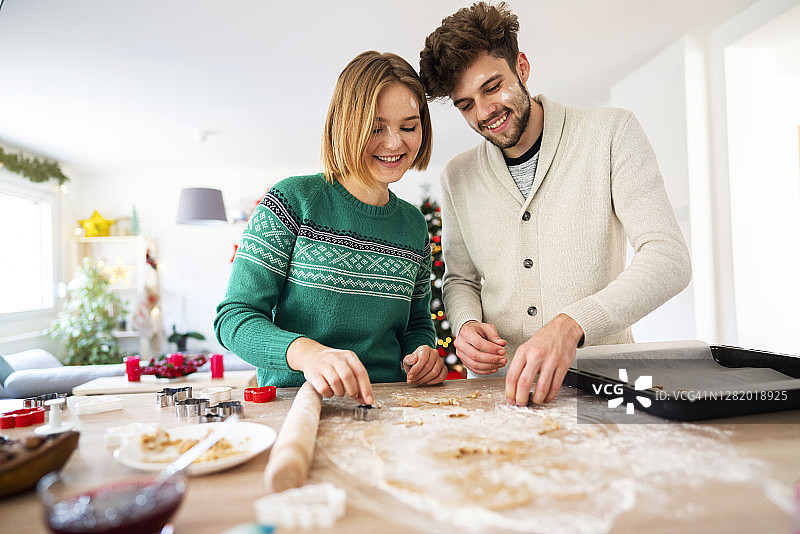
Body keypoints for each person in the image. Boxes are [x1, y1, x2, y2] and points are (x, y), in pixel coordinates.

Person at [418, 2, 692, 406]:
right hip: (502, 390)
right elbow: (460, 279)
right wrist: (465, 325)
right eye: (465, 104)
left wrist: (571, 325)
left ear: (522, 67)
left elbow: (669, 259)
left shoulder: (612, 133)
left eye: (492, 87)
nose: (484, 113)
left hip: (607, 386)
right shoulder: (456, 176)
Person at [215, 51, 447, 405]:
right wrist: (310, 355)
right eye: (375, 127)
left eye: (409, 126)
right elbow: (234, 318)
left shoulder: (413, 224)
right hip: (299, 404)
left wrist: (423, 354)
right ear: (345, 124)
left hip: (392, 404)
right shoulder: (292, 200)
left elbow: (416, 326)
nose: (394, 143)